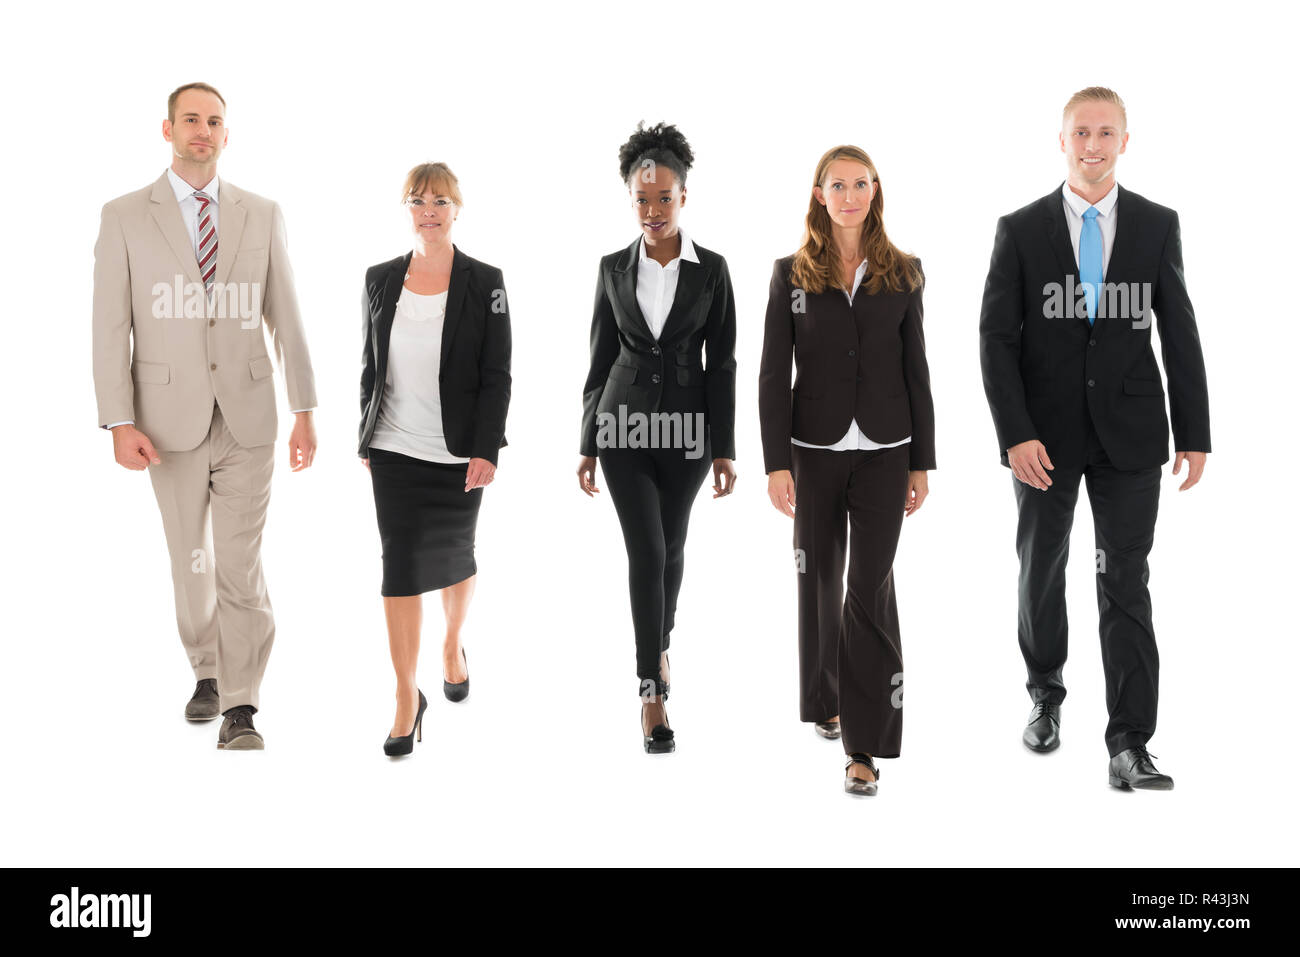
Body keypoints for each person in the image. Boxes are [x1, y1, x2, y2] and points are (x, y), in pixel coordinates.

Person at [978, 87, 1211, 790]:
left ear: (1125, 141)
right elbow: (994, 339)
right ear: (1061, 140)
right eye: (1081, 132)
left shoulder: (1155, 224)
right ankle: (1045, 693)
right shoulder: (1019, 229)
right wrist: (1015, 434)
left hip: (1131, 436)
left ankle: (1129, 742)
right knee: (1040, 570)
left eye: (1106, 133)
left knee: (1124, 580)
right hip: (1043, 442)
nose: (1092, 145)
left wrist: (1194, 432)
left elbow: (1180, 329)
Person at [92, 82, 318, 750]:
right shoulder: (125, 215)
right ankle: (208, 669)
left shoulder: (261, 212)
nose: (203, 130)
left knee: (239, 565)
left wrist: (305, 406)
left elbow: (288, 315)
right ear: (167, 130)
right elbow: (111, 327)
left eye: (214, 121)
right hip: (165, 422)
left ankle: (241, 706)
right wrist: (117, 420)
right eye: (190, 119)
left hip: (249, 414)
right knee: (191, 562)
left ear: (227, 134)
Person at [758, 145, 935, 796]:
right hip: (814, 451)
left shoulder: (905, 272)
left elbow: (917, 370)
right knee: (818, 577)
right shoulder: (790, 274)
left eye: (861, 183)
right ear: (819, 193)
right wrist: (777, 461)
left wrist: (923, 461)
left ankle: (864, 746)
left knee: (869, 586)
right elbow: (775, 374)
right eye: (839, 184)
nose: (851, 194)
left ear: (875, 190)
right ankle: (825, 698)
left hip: (889, 450)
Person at [577, 122, 737, 754]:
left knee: (672, 548)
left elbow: (722, 363)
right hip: (622, 427)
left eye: (663, 198)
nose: (652, 211)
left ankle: (660, 645)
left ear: (683, 197)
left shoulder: (714, 271)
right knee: (646, 551)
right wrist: (588, 441)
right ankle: (651, 689)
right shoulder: (612, 268)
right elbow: (597, 358)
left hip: (689, 434)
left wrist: (724, 447)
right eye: (641, 200)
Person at [359, 162, 512, 757]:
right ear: (407, 209)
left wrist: (488, 448)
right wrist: (365, 435)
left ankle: (452, 644)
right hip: (393, 447)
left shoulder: (487, 280)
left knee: (455, 559)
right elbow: (370, 363)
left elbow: (497, 372)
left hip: (457, 455)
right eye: (419, 201)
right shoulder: (378, 279)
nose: (430, 210)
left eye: (441, 200)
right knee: (398, 566)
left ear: (457, 209)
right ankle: (405, 696)